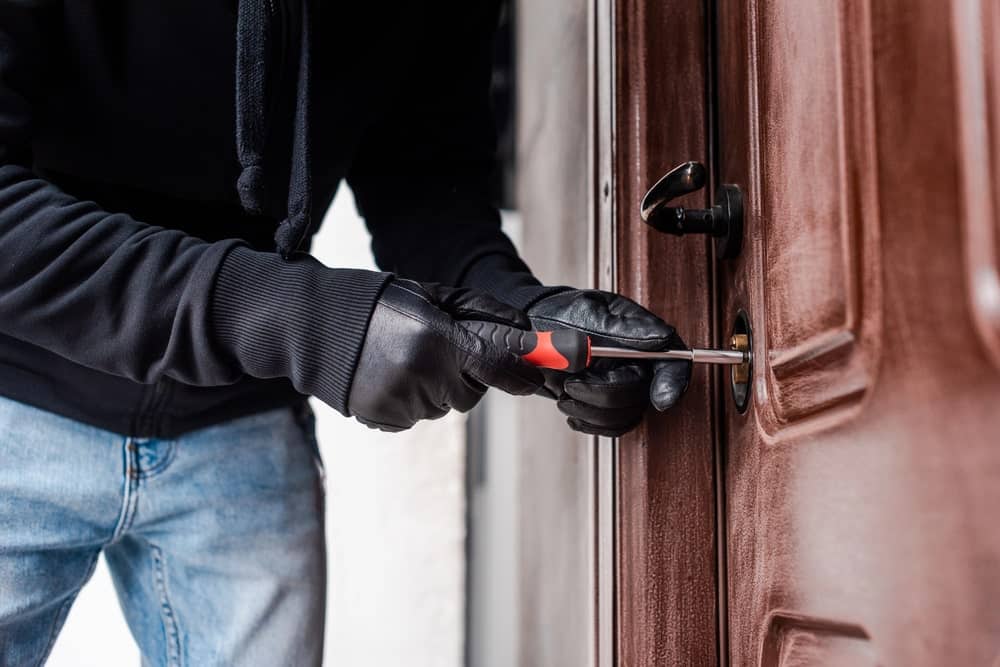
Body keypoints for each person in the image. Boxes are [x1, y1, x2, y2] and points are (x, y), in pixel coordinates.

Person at [0, 1, 690, 664]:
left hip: (242, 431)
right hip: (19, 405)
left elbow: (425, 181)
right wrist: (294, 316)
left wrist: (523, 310)